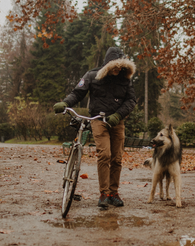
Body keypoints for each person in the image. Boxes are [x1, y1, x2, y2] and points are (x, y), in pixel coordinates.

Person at [54, 47, 136, 208]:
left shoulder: (125, 79)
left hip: (117, 121)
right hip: (98, 119)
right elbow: (77, 93)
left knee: (117, 158)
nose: (118, 69)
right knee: (105, 154)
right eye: (115, 66)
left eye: (121, 66)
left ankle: (114, 193)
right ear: (108, 64)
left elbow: (131, 101)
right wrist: (65, 103)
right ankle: (104, 193)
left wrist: (118, 115)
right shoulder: (92, 76)